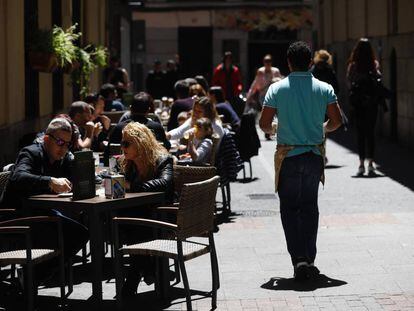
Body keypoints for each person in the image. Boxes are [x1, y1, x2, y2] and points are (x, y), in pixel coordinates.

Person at [259, 41, 342, 281]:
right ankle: (309, 257)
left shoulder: (276, 89)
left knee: (289, 209)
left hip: (288, 155)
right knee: (309, 208)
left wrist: (276, 129)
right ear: (310, 63)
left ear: (287, 62)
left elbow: (264, 124)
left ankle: (299, 260)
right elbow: (336, 121)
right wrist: (320, 129)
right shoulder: (325, 88)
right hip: (314, 155)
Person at [0, 118, 89, 281]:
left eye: (67, 144)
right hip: (17, 217)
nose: (64, 148)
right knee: (71, 235)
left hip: (41, 214)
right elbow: (18, 177)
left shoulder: (60, 158)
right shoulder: (31, 152)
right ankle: (33, 277)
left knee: (80, 231)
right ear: (47, 138)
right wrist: (49, 181)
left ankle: (34, 276)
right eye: (60, 142)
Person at [118, 121, 173, 295]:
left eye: (127, 143)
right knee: (126, 222)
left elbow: (165, 182)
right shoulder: (129, 164)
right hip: (141, 216)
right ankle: (148, 268)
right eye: (122, 143)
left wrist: (132, 187)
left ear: (140, 143)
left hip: (165, 216)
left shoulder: (162, 159)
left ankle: (135, 274)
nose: (122, 147)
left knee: (133, 226)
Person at [347, 38, 383, 176]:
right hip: (371, 104)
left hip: (358, 104)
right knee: (371, 133)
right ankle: (371, 163)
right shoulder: (374, 64)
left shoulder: (353, 66)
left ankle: (361, 164)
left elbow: (349, 83)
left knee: (360, 134)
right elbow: (379, 80)